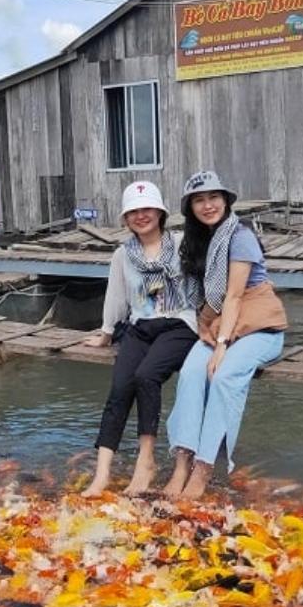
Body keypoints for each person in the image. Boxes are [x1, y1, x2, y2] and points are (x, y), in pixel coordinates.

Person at [163, 171, 288, 500]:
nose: (208, 205)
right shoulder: (196, 241)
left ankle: (203, 470)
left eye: (213, 198)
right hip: (220, 324)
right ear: (190, 208)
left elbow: (233, 296)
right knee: (191, 373)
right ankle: (182, 463)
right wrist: (206, 330)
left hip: (258, 327)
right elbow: (199, 297)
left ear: (226, 201)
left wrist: (221, 347)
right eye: (199, 200)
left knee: (224, 375)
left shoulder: (240, 236)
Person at [81, 181, 198, 497]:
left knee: (147, 376)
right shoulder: (122, 254)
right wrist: (106, 334)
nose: (141, 216)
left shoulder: (185, 243)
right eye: (133, 211)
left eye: (147, 209)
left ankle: (146, 461)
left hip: (179, 323)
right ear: (125, 219)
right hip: (141, 326)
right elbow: (116, 296)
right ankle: (102, 473)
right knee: (120, 387)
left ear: (160, 213)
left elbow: (209, 280)